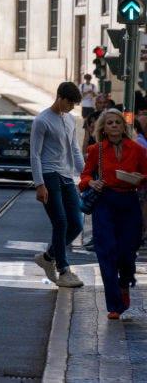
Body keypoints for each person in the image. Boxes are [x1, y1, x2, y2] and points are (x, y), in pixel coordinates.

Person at [79, 109, 147, 319]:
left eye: (117, 122)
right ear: (103, 128)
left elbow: (146, 175)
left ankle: (124, 283)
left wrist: (138, 178)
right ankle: (114, 305)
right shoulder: (96, 149)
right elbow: (84, 177)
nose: (114, 125)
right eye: (110, 123)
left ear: (123, 126)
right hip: (105, 203)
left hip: (129, 202)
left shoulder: (136, 149)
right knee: (106, 252)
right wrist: (91, 182)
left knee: (127, 252)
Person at [31, 81, 86, 288]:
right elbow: (35, 154)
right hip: (49, 175)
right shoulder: (42, 121)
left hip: (66, 176)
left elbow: (74, 149)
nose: (72, 107)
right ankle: (64, 271)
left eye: (74, 104)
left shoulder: (71, 120)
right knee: (60, 222)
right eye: (70, 103)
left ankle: (48, 257)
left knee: (77, 224)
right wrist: (39, 184)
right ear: (59, 98)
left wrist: (85, 174)